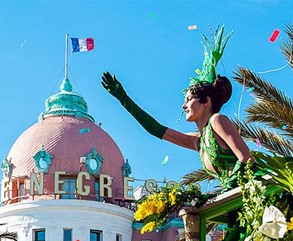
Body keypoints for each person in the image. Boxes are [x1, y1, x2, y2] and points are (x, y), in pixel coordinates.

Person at [101, 25, 252, 191]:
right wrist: (123, 98)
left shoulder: (217, 121)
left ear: (206, 101)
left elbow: (246, 158)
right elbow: (156, 129)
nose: (183, 105)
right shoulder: (198, 141)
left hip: (252, 191)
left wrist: (231, 186)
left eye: (188, 99)